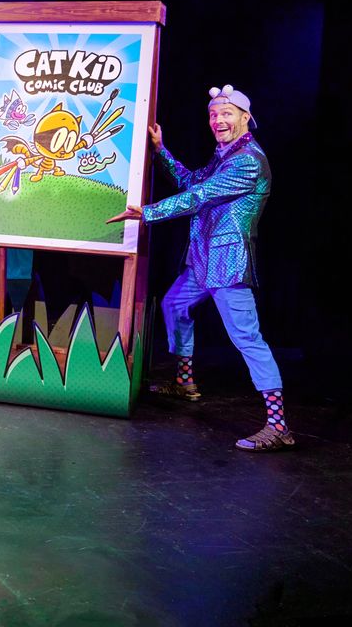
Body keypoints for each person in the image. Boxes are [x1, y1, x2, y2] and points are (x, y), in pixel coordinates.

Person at [108, 85, 291, 451]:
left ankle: (279, 426)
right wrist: (160, 151)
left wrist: (148, 213)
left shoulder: (248, 160)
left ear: (245, 118)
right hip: (204, 260)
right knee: (175, 305)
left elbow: (200, 196)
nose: (218, 120)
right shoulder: (225, 154)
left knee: (247, 338)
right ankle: (185, 382)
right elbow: (193, 182)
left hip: (227, 262)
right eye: (213, 115)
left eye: (226, 114)